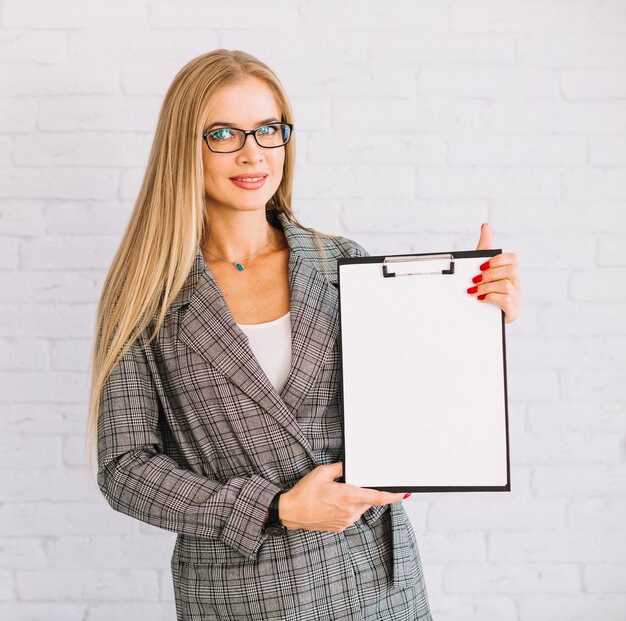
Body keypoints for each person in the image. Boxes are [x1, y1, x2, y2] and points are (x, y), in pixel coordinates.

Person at [87, 49, 521, 621]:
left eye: (269, 130)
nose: (253, 153)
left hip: (374, 583)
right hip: (241, 596)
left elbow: (412, 410)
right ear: (182, 148)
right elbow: (126, 470)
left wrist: (473, 324)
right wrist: (276, 508)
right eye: (223, 133)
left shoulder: (344, 264)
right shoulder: (147, 292)